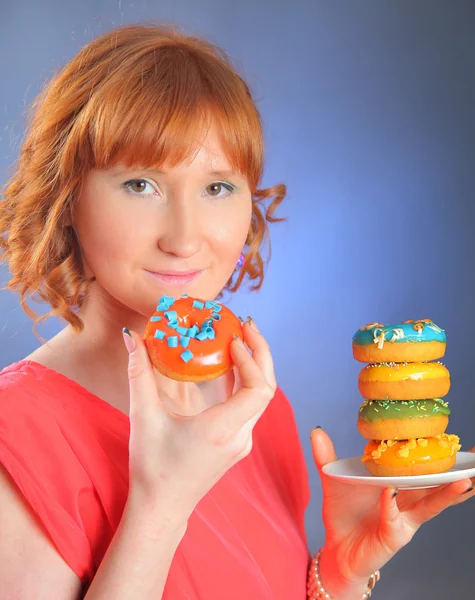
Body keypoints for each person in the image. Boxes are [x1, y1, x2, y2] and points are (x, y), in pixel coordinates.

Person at [0, 22, 473, 600]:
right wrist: (162, 501)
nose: (184, 237)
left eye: (217, 188)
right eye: (141, 184)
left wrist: (340, 575)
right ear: (66, 197)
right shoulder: (16, 438)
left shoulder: (257, 407)